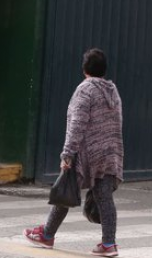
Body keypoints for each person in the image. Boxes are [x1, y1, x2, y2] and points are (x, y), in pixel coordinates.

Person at [25, 49, 124, 257]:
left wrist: (67, 154)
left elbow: (77, 123)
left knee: (66, 189)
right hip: (109, 152)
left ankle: (47, 235)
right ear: (104, 69)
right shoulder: (113, 91)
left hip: (86, 152)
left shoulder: (85, 89)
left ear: (84, 69)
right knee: (104, 197)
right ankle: (109, 244)